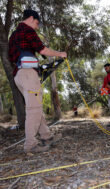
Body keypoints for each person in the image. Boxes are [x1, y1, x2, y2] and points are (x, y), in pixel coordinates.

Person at [8, 9, 67, 153]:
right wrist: (60, 54)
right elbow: (42, 50)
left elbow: (11, 57)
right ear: (30, 18)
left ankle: (47, 136)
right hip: (28, 75)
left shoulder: (13, 35)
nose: (37, 26)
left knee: (36, 107)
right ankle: (30, 145)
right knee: (34, 109)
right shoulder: (27, 30)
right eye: (36, 22)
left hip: (18, 76)